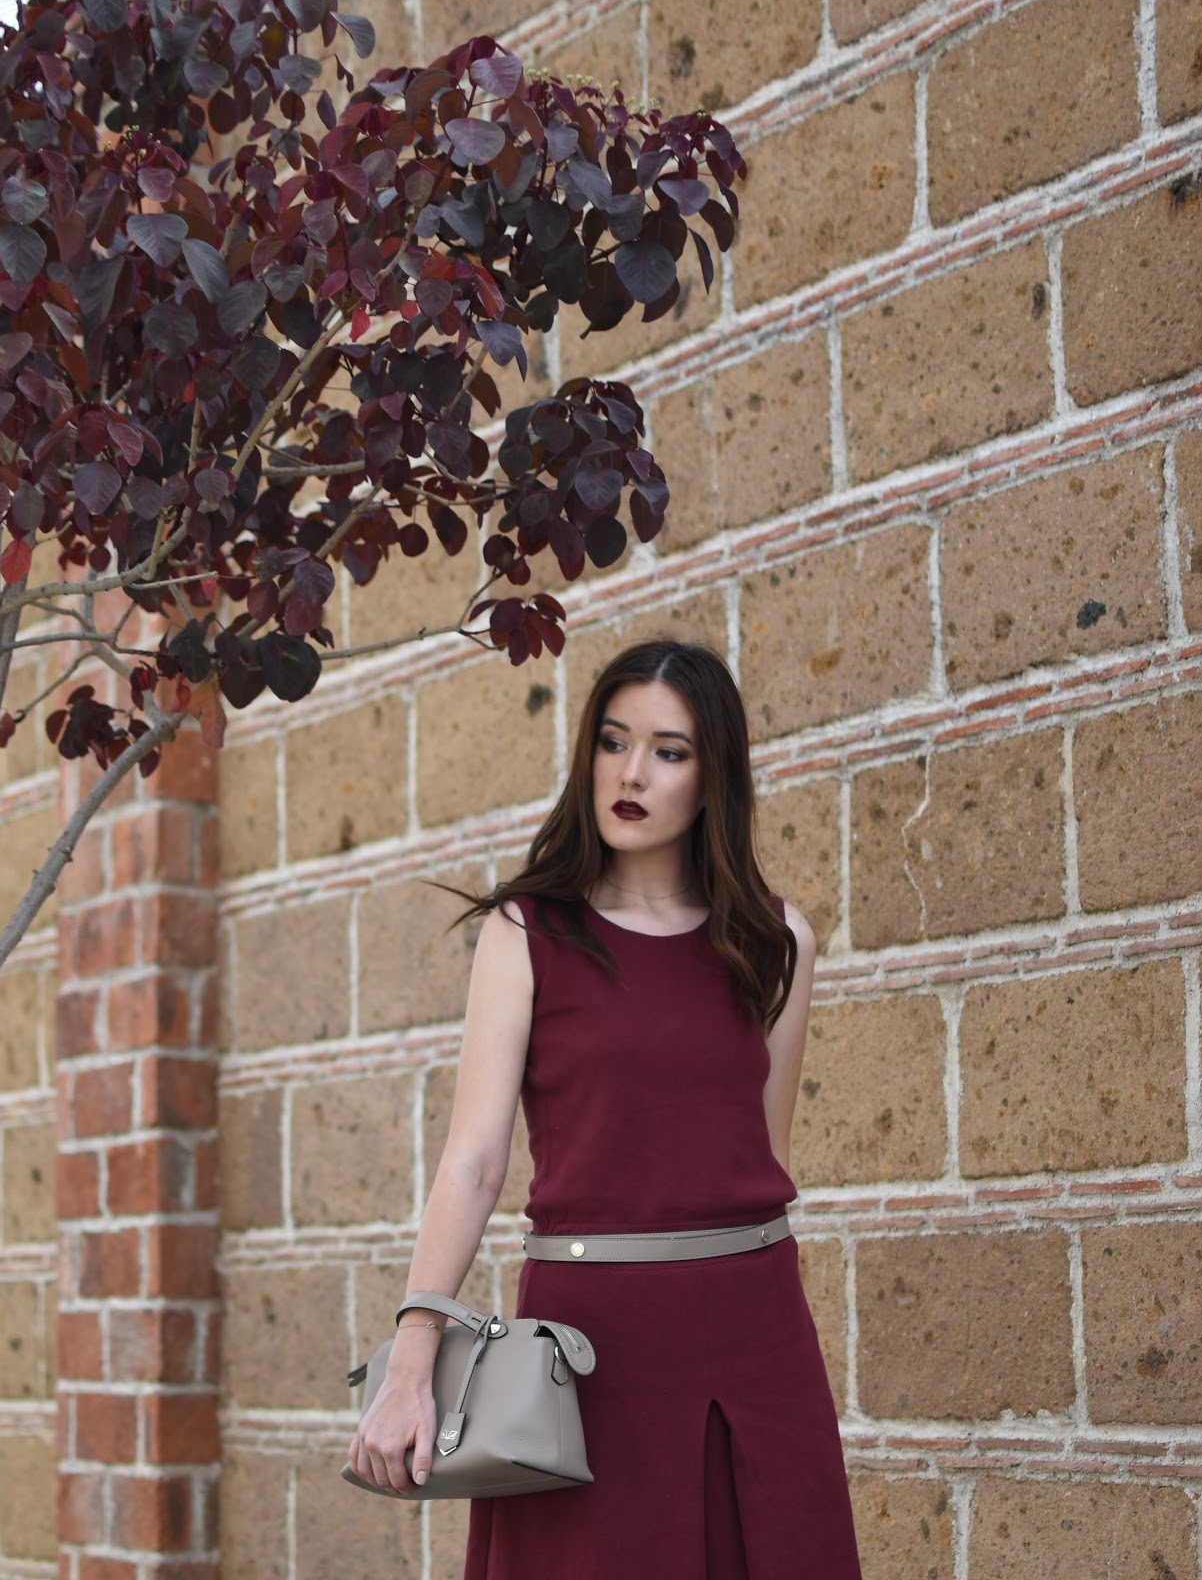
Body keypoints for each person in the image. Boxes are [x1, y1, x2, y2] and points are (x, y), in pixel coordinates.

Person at [345, 636, 863, 1578]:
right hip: (589, 1346)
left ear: (712, 778)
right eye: (613, 742)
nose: (631, 773)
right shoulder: (527, 932)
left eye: (668, 751)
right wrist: (413, 1352)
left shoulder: (777, 940)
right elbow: (474, 1162)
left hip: (757, 1333)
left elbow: (763, 1156)